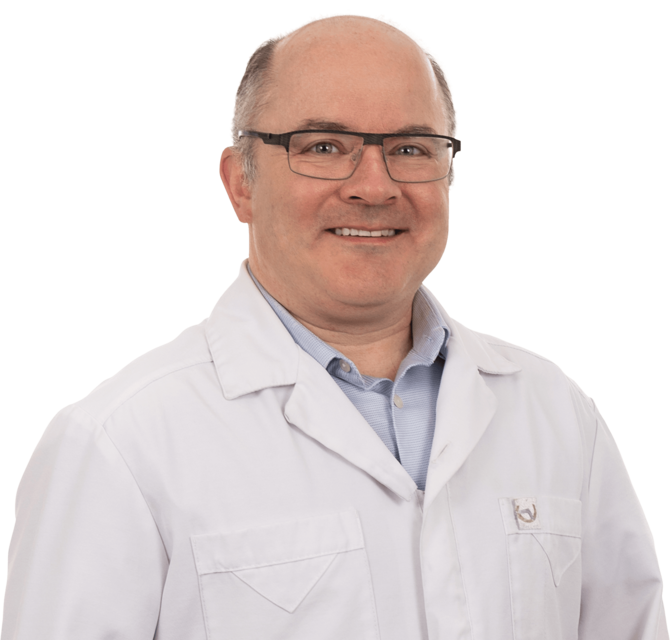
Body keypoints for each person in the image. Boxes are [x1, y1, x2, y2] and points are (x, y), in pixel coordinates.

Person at [3, 14, 667, 640]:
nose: (374, 187)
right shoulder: (120, 443)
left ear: (449, 176)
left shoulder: (555, 411)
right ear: (240, 183)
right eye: (324, 146)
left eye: (411, 148)